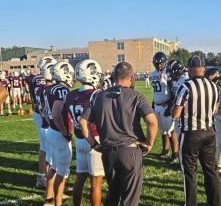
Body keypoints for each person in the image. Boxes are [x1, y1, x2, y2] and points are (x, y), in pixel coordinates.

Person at [80, 62, 158, 206]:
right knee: (129, 199)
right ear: (132, 77)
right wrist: (149, 143)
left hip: (108, 152)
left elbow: (83, 122)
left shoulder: (98, 96)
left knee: (113, 194)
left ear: (113, 76)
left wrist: (94, 144)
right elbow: (152, 122)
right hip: (130, 151)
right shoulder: (136, 96)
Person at [171, 55, 221, 206]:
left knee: (190, 172)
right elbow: (215, 110)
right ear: (203, 69)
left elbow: (175, 113)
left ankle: (191, 203)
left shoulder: (186, 86)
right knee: (211, 170)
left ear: (190, 70)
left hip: (191, 134)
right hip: (209, 132)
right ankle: (215, 203)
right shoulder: (214, 86)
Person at [63, 59, 105, 206]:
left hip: (80, 139)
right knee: (96, 182)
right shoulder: (97, 94)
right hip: (94, 139)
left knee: (80, 177)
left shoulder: (70, 95)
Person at [43, 62, 74, 206]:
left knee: (54, 167)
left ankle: (48, 198)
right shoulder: (62, 89)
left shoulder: (48, 89)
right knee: (62, 172)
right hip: (58, 133)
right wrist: (65, 131)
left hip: (51, 131)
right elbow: (56, 113)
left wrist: (52, 126)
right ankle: (58, 203)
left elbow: (44, 111)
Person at [31, 57, 57, 189]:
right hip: (45, 116)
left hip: (38, 112)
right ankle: (49, 183)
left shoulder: (35, 80)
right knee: (50, 150)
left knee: (44, 147)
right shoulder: (47, 85)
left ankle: (41, 176)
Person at [151, 52, 179, 163]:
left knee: (171, 131)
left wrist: (170, 106)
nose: (159, 65)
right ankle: (165, 151)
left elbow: (173, 92)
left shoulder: (168, 73)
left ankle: (175, 154)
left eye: (161, 63)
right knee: (163, 131)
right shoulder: (153, 73)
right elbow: (155, 91)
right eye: (157, 63)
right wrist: (153, 104)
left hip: (166, 105)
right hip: (157, 105)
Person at [36, 62, 56, 204]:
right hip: (49, 126)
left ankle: (41, 178)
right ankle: (50, 192)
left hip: (43, 124)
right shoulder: (51, 90)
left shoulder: (39, 88)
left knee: (43, 151)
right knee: (52, 160)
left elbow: (41, 109)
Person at [167, 60, 188, 139]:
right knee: (178, 136)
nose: (169, 74)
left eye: (171, 72)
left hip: (185, 112)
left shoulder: (186, 80)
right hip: (177, 111)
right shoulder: (173, 81)